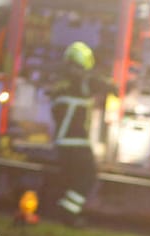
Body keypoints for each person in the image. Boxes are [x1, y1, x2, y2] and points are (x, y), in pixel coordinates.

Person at [45, 42, 115, 225]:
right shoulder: (78, 84)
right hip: (75, 142)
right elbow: (95, 84)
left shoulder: (63, 84)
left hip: (66, 141)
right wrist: (113, 87)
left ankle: (60, 211)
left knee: (70, 179)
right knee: (87, 177)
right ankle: (68, 214)